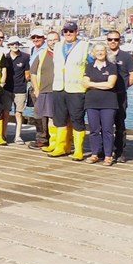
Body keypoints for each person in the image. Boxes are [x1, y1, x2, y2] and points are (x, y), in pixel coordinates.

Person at [48, 21, 90, 160]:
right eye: (65, 31)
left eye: (71, 31)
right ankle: (61, 147)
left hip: (76, 89)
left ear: (77, 32)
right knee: (59, 119)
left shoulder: (84, 46)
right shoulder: (58, 46)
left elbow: (93, 63)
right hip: (59, 88)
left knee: (77, 119)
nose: (68, 34)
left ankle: (78, 150)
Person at [82, 42, 118, 166]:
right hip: (91, 102)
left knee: (107, 130)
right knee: (94, 130)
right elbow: (85, 83)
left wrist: (93, 84)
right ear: (93, 53)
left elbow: (110, 84)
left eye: (102, 50)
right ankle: (94, 154)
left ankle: (108, 155)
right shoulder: (89, 66)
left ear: (106, 52)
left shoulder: (112, 66)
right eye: (97, 51)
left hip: (109, 103)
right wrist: (101, 84)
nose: (100, 52)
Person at [106, 30, 133, 162]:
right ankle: (105, 150)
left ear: (120, 40)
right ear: (107, 40)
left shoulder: (126, 57)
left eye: (116, 39)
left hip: (119, 95)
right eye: (110, 39)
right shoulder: (103, 55)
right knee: (105, 124)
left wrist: (124, 87)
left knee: (119, 123)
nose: (113, 42)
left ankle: (120, 151)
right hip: (105, 95)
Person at [30, 31, 60, 153]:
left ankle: (61, 141)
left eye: (55, 40)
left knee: (58, 117)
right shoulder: (41, 54)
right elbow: (33, 72)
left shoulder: (63, 54)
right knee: (43, 116)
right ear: (47, 41)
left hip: (60, 90)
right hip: (44, 90)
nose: (53, 42)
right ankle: (49, 141)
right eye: (50, 40)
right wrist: (36, 89)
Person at [4, 36, 31, 145]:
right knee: (5, 113)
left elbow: (27, 74)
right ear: (9, 46)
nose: (15, 46)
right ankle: (4, 135)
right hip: (7, 89)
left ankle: (18, 136)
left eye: (17, 44)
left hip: (20, 89)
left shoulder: (25, 57)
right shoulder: (5, 57)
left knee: (18, 113)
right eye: (12, 44)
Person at [27, 28, 48, 149]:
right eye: (33, 37)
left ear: (43, 38)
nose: (36, 39)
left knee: (42, 113)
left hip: (43, 86)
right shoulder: (32, 49)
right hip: (33, 85)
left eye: (38, 37)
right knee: (37, 113)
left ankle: (43, 139)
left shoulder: (46, 50)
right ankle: (41, 137)